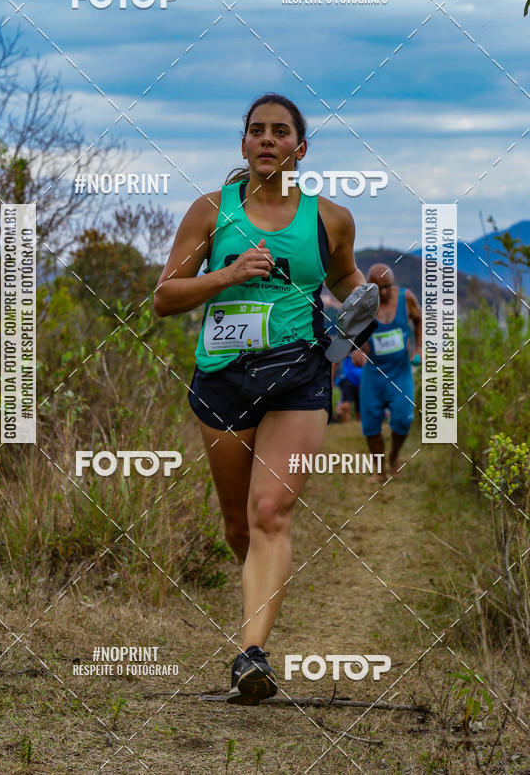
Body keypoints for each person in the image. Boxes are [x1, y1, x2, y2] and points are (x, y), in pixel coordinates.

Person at [153, 93, 368, 705]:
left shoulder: (330, 219)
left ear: (301, 148)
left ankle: (251, 656)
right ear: (243, 146)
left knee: (270, 511)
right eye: (256, 131)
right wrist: (227, 274)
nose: (267, 140)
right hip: (223, 379)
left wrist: (368, 292)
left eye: (280, 132)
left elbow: (345, 277)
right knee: (239, 524)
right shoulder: (210, 213)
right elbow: (164, 298)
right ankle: (258, 589)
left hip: (299, 377)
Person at [351, 264, 422, 481]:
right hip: (373, 372)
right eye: (377, 288)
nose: (382, 292)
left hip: (400, 371)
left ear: (393, 284)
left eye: (387, 287)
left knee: (403, 417)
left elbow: (419, 321)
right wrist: (356, 350)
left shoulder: (406, 298)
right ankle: (379, 469)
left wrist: (418, 347)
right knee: (371, 422)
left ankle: (393, 457)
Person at [336, 354, 361, 423]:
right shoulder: (347, 352)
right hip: (347, 381)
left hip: (360, 382)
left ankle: (359, 425)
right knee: (346, 404)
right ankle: (339, 409)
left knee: (359, 406)